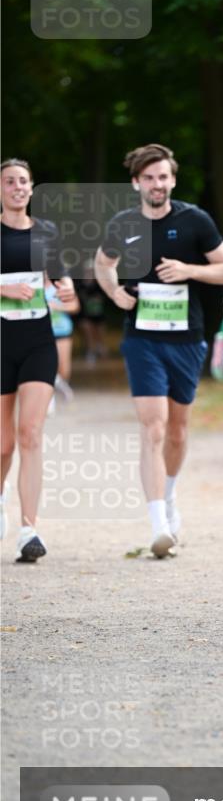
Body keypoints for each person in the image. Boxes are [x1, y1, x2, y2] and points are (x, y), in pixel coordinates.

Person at [94, 143, 223, 557]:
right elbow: (103, 263)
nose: (158, 184)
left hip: (186, 338)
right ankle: (158, 524)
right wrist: (115, 293)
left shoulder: (195, 220)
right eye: (150, 178)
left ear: (172, 180)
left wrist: (188, 270)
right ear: (137, 182)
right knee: (153, 427)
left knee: (177, 430)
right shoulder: (123, 222)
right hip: (141, 338)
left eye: (164, 177)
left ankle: (169, 498)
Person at [0, 158, 76, 561]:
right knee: (3, 444)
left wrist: (67, 295)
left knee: (30, 434)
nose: (17, 187)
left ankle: (29, 529)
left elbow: (62, 286)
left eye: (23, 182)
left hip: (38, 343)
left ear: (32, 188)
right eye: (9, 181)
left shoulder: (46, 232)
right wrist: (5, 289)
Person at [46, 276, 80, 403]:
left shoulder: (62, 282)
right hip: (41, 332)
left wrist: (55, 306)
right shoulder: (32, 283)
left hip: (61, 330)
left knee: (64, 369)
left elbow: (75, 306)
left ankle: (58, 387)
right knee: (44, 365)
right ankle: (48, 396)